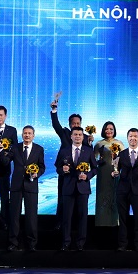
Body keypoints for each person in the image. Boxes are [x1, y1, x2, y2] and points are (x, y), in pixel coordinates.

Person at [49, 93, 93, 230]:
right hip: (66, 173)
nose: (76, 125)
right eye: (73, 123)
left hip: (80, 175)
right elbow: (56, 125)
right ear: (69, 124)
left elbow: (90, 156)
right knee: (62, 198)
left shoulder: (85, 137)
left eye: (78, 123)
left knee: (79, 202)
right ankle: (60, 222)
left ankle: (75, 225)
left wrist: (90, 143)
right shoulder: (65, 133)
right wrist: (54, 110)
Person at [6, 125, 46, 252]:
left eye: (29, 133)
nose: (27, 135)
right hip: (16, 186)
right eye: (25, 133)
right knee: (14, 215)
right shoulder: (15, 147)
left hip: (31, 186)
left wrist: (37, 174)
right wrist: (1, 150)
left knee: (31, 216)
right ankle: (13, 242)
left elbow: (42, 167)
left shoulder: (39, 149)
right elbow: (5, 161)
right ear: (22, 135)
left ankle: (32, 243)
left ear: (33, 135)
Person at [58, 126, 97, 251]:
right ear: (71, 136)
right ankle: (66, 243)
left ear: (83, 137)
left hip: (83, 188)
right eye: (75, 134)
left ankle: (81, 243)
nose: (77, 137)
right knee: (66, 217)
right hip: (68, 187)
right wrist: (62, 170)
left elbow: (95, 168)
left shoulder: (88, 150)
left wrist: (87, 176)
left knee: (82, 217)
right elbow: (57, 167)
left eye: (80, 135)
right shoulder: (64, 150)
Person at [114, 128, 138, 251]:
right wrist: (114, 173)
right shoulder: (121, 154)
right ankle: (122, 245)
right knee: (123, 219)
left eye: (135, 136)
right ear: (127, 138)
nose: (133, 138)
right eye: (130, 136)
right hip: (122, 190)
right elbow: (116, 169)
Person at [94, 121, 123, 228]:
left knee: (114, 197)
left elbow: (124, 160)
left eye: (111, 129)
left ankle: (115, 222)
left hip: (115, 173)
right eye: (107, 129)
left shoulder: (119, 143)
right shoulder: (99, 144)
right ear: (103, 130)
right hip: (103, 173)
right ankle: (101, 222)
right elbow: (93, 160)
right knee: (102, 196)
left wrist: (119, 170)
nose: (109, 131)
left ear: (114, 130)